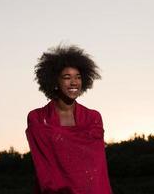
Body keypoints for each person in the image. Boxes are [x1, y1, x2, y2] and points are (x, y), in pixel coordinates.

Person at [25, 45, 113, 194]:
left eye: (78, 77)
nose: (74, 82)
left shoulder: (93, 118)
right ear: (54, 81)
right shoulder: (37, 117)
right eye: (67, 77)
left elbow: (96, 168)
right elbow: (43, 165)